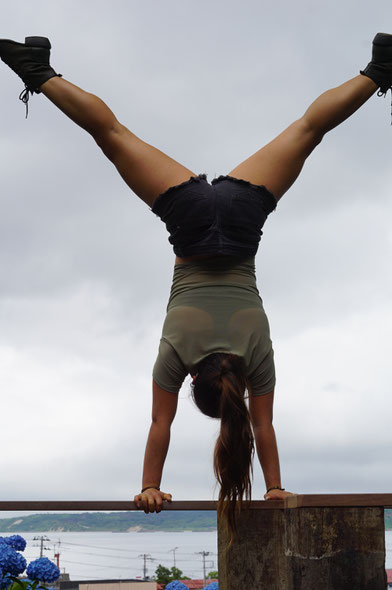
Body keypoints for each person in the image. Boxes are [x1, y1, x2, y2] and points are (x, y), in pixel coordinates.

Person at [1, 32, 392, 535]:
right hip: (188, 220)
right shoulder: (176, 355)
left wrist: (274, 486)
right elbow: (160, 425)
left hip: (241, 215)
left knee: (308, 129)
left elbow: (263, 426)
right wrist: (149, 485)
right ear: (192, 383)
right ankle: (39, 72)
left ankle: (379, 71)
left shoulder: (255, 360)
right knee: (113, 135)